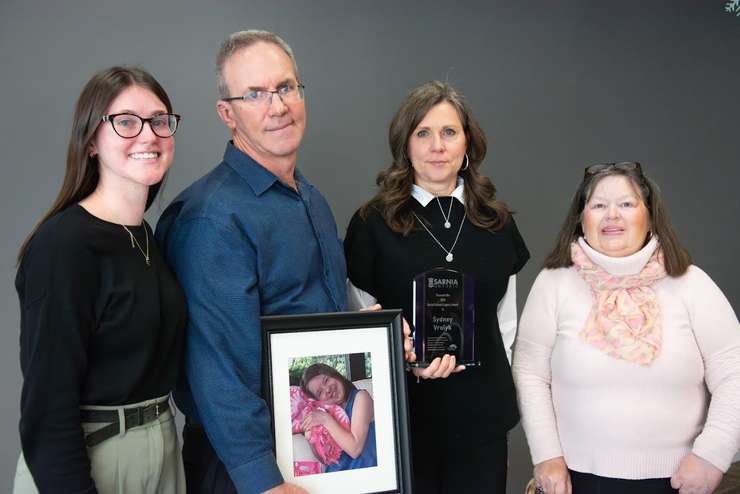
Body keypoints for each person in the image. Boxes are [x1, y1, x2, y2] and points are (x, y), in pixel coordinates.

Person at [155, 30, 344, 494]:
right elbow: (213, 364)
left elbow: (310, 315)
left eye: (286, 87)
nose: (277, 106)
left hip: (312, 444)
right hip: (244, 465)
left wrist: (371, 332)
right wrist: (263, 481)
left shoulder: (312, 200)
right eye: (255, 94)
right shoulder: (212, 218)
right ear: (228, 114)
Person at [343, 80, 529, 493]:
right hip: (404, 417)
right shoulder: (372, 223)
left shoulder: (496, 222)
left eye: (449, 132)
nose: (437, 146)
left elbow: (506, 323)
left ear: (467, 143)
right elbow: (362, 324)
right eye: (422, 133)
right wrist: (407, 361)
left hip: (481, 413)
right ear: (405, 145)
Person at [513, 162, 740, 494]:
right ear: (581, 217)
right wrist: (547, 455)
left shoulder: (692, 285)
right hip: (576, 480)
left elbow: (735, 372)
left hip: (679, 481)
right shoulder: (554, 284)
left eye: (627, 204)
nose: (612, 216)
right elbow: (530, 372)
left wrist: (712, 456)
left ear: (649, 216)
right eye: (599, 205)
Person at [13, 66, 186, 493]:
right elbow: (47, 405)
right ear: (91, 140)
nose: (149, 135)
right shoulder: (63, 246)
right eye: (126, 121)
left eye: (160, 121)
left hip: (163, 454)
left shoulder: (152, 238)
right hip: (90, 461)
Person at [300, 363, 377, 472]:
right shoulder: (324, 413)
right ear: (318, 400)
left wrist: (326, 420)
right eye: (320, 392)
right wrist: (311, 438)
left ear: (334, 375)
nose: (327, 390)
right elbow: (326, 460)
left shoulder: (361, 397)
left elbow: (355, 449)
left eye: (326, 380)